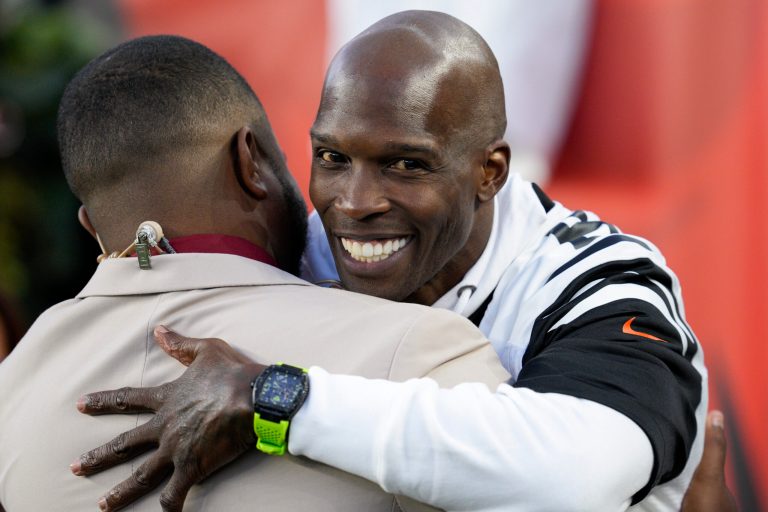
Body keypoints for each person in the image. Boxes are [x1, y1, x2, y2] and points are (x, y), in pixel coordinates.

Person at [73, 11, 729, 512]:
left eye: (405, 165)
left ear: (489, 172)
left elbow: (580, 474)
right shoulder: (300, 251)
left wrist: (278, 401)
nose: (353, 204)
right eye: (332, 158)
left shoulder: (598, 279)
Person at [0, 34, 510, 511]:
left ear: (91, 227)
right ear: (251, 160)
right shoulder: (422, 352)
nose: (353, 203)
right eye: (326, 158)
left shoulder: (14, 385)